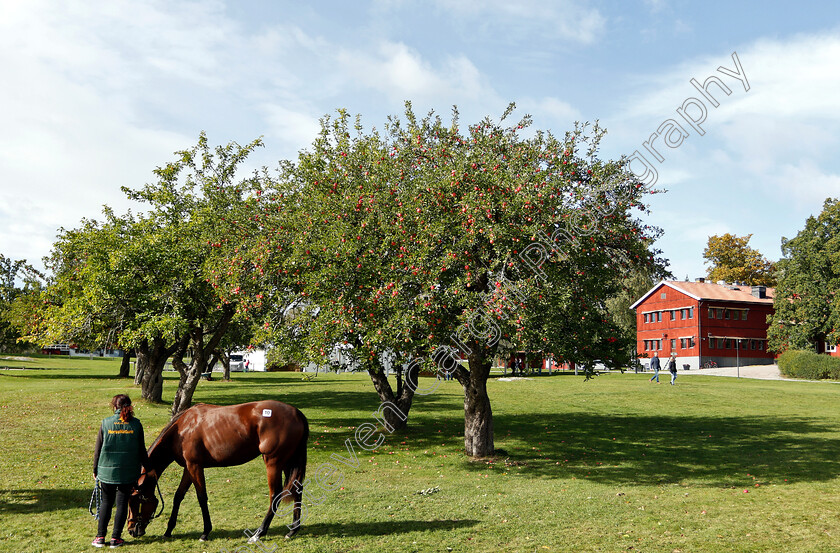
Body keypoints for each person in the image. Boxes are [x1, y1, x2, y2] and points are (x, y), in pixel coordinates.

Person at [92, 394, 148, 548]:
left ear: (114, 406)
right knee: (122, 503)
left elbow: (98, 449)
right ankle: (116, 538)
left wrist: (95, 468)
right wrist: (148, 468)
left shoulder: (105, 423)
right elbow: (142, 451)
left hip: (106, 471)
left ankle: (100, 537)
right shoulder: (136, 425)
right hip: (128, 472)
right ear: (130, 406)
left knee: (106, 502)